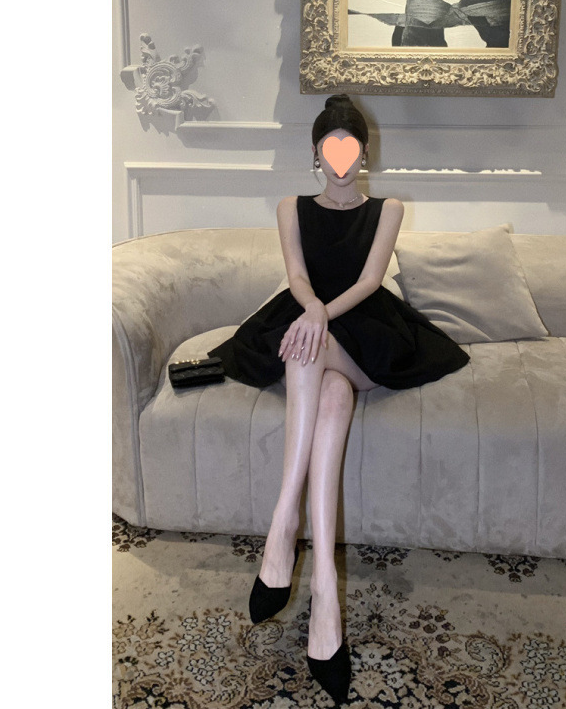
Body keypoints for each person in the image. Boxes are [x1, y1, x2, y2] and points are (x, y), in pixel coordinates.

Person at [207, 94, 470, 705]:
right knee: (328, 392)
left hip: (364, 330)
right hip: (306, 320)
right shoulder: (291, 207)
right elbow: (298, 277)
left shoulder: (388, 209)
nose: (342, 158)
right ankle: (324, 589)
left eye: (351, 147)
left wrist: (321, 317)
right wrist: (310, 311)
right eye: (331, 148)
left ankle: (282, 524)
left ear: (365, 152)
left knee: (309, 351)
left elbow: (371, 281)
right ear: (316, 154)